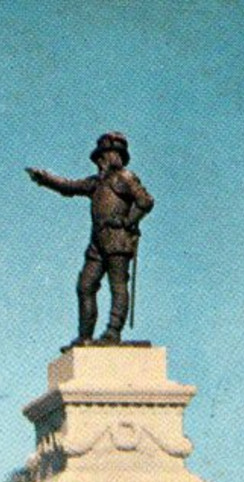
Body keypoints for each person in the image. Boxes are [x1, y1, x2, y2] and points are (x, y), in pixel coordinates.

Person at [27, 132, 154, 343]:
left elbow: (145, 201)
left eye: (103, 157)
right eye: (99, 158)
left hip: (118, 239)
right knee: (85, 286)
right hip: (97, 242)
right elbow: (69, 186)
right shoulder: (96, 183)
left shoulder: (124, 178)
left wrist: (128, 221)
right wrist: (45, 179)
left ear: (114, 156)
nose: (100, 161)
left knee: (118, 286)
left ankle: (113, 332)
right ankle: (85, 336)